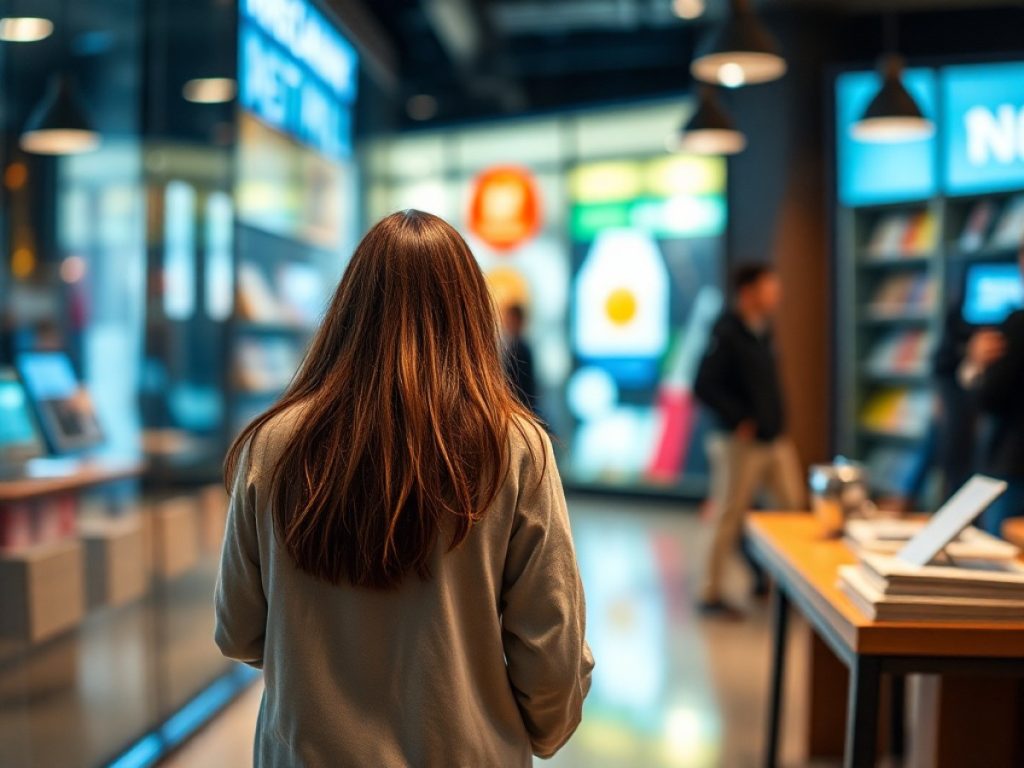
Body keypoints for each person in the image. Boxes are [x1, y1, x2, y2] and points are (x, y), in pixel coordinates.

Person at [215, 210, 593, 767]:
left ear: (347, 310)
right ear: (470, 312)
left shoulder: (272, 444)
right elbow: (552, 654)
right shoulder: (515, 447)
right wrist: (536, 731)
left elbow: (238, 630)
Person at [694, 263, 805, 618]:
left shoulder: (763, 330)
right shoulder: (726, 332)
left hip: (773, 440)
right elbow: (703, 385)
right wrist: (738, 417)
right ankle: (710, 594)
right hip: (738, 444)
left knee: (793, 507)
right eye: (769, 287)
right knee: (729, 515)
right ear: (748, 292)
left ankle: (779, 582)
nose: (776, 294)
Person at [959, 249, 1024, 536]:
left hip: (1012, 464)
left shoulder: (1017, 324)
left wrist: (975, 367)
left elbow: (990, 397)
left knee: (1001, 562)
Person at [501, 303, 540, 415]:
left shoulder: (523, 349)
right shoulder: (508, 346)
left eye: (511, 319)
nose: (507, 323)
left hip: (520, 406)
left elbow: (526, 385)